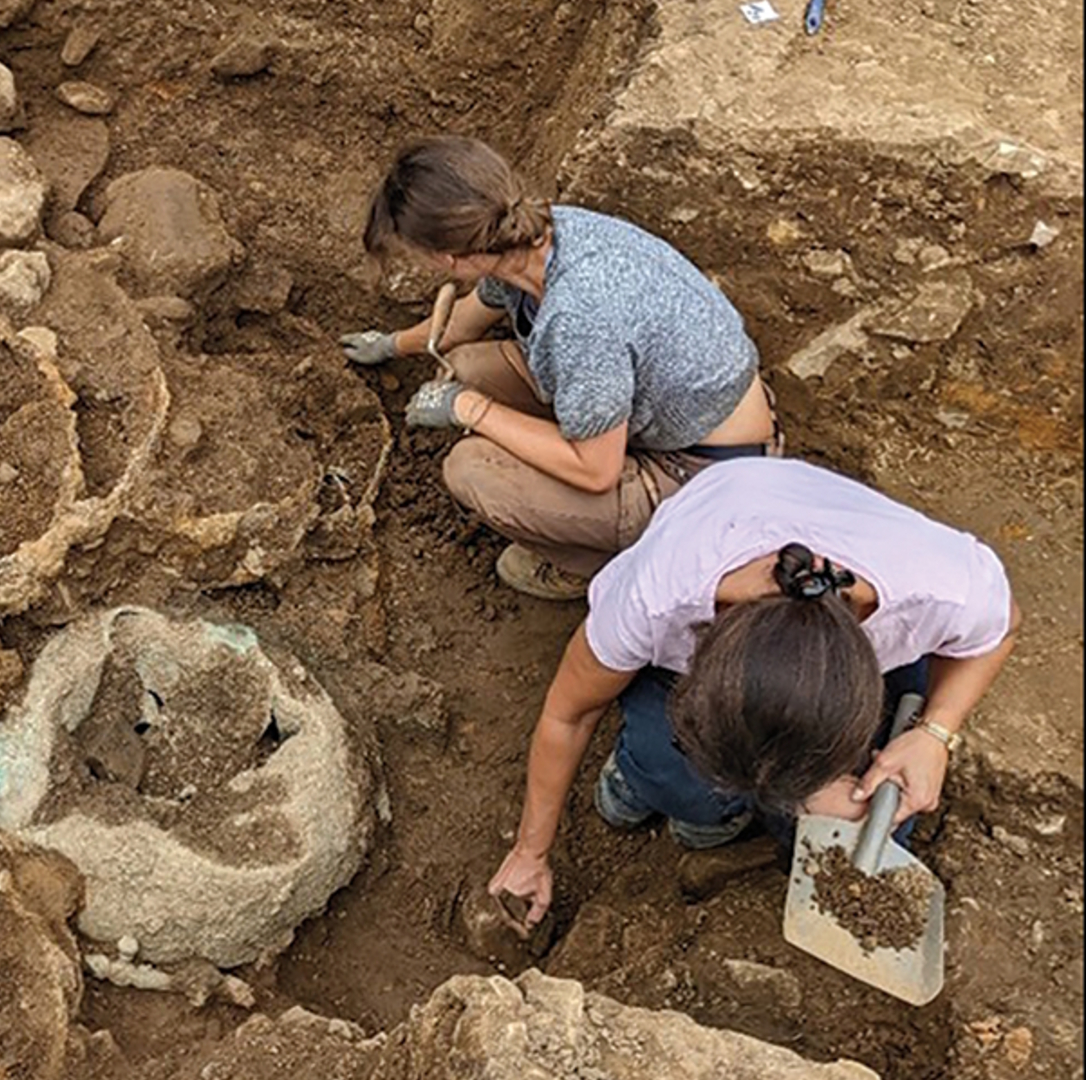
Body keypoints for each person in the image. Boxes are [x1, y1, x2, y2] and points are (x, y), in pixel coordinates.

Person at [484, 457, 1019, 929]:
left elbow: (1002, 628)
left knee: (877, 827)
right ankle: (645, 775)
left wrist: (934, 733)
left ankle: (753, 820)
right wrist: (531, 852)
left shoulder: (939, 588)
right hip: (732, 512)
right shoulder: (656, 599)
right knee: (685, 785)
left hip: (837, 598)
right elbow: (569, 714)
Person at [340, 134, 780, 601]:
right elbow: (461, 324)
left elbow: (596, 472)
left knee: (471, 469)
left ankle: (596, 567)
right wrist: (392, 345)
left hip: (708, 477)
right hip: (669, 412)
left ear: (447, 258)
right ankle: (594, 482)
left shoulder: (578, 316)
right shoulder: (535, 233)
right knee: (466, 366)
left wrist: (468, 409)